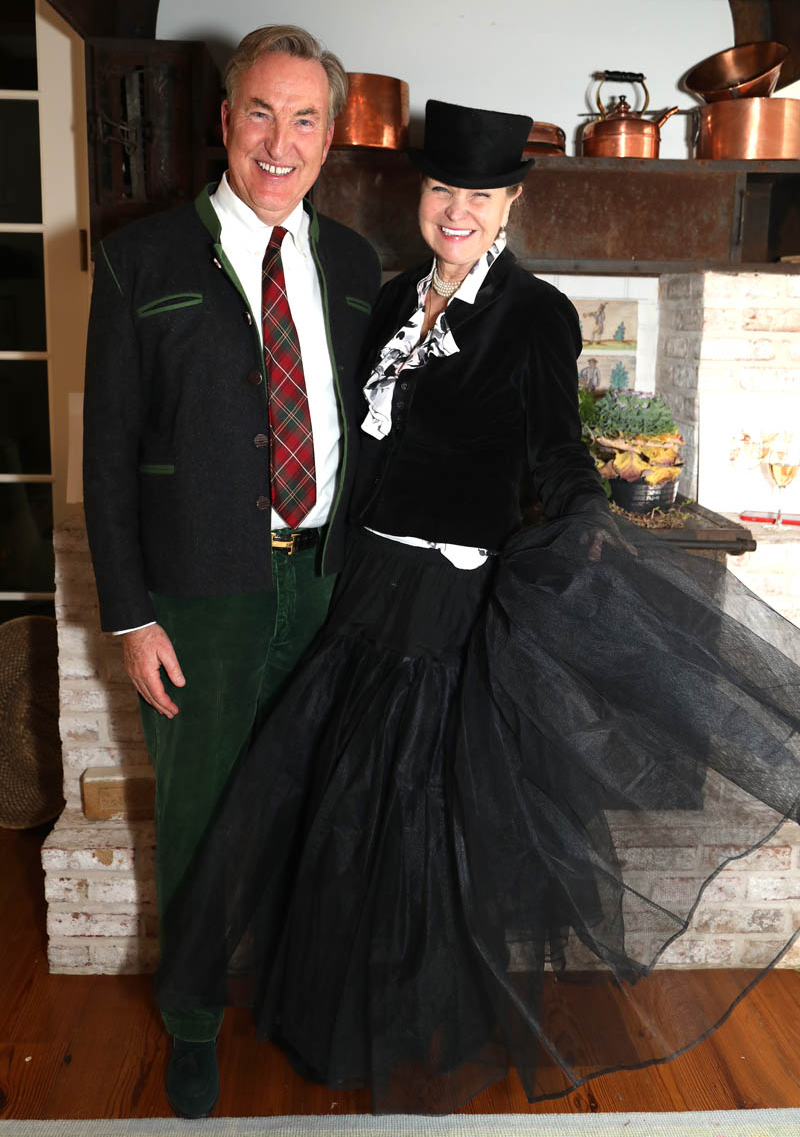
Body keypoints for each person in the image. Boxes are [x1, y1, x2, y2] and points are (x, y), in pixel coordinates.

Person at [155, 100, 800, 1114]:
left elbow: (555, 448)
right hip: (363, 587)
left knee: (424, 822)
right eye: (443, 189)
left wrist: (585, 518)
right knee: (343, 817)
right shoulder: (389, 297)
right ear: (422, 194)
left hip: (450, 600)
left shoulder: (533, 314)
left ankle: (424, 1027)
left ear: (510, 205)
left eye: (481, 195)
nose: (457, 211)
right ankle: (339, 1019)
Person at [82, 24, 381, 1118]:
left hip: (328, 586)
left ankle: (304, 1001)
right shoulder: (141, 258)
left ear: (329, 137)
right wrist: (129, 618)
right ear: (224, 121)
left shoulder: (357, 266)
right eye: (260, 112)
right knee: (202, 821)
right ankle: (195, 1025)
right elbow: (106, 457)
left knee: (321, 814)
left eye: (304, 119)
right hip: (198, 600)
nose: (279, 141)